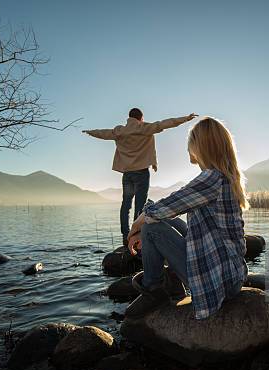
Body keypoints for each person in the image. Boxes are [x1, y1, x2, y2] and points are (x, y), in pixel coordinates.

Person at [125, 117, 249, 319]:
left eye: (191, 142)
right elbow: (172, 205)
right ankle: (173, 283)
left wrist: (134, 230)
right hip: (231, 274)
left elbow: (163, 207)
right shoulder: (224, 177)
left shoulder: (212, 178)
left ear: (200, 147)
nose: (188, 148)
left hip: (218, 281)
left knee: (151, 228)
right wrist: (148, 215)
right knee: (164, 219)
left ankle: (153, 289)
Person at [83, 108, 197, 246]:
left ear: (129, 118)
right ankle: (136, 237)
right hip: (142, 173)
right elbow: (166, 123)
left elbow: (103, 133)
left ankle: (126, 236)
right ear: (140, 118)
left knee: (126, 205)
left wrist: (90, 132)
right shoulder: (145, 128)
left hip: (127, 174)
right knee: (140, 205)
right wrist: (185, 118)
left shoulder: (120, 131)